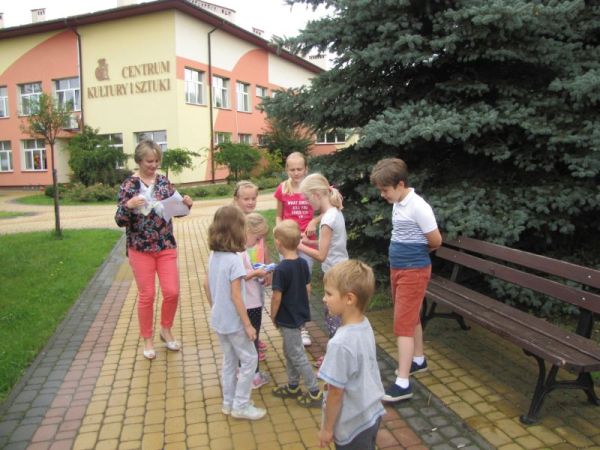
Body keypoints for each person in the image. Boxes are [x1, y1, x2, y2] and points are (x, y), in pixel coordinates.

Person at [370, 158, 442, 402]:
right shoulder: (398, 202)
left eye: (385, 190)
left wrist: (416, 256)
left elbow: (436, 241)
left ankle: (403, 383)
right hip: (399, 269)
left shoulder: (418, 207)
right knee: (411, 317)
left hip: (414, 271)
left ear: (400, 184)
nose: (382, 195)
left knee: (402, 324)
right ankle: (418, 360)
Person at [115, 139, 193, 360]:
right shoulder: (129, 186)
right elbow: (120, 220)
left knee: (172, 291)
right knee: (147, 295)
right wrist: (128, 206)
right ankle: (147, 339)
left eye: (157, 161)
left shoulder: (163, 182)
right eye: (149, 161)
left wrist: (186, 205)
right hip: (140, 248)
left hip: (165, 245)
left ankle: (165, 329)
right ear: (139, 161)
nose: (154, 165)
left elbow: (176, 209)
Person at [205, 205, 267, 420]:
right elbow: (236, 296)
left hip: (219, 319)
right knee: (250, 359)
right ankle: (241, 405)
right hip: (234, 321)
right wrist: (248, 325)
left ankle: (228, 403)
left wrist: (216, 306)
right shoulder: (233, 259)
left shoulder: (214, 255)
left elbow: (206, 285)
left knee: (230, 361)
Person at [318, 260, 385, 450]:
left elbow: (335, 393)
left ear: (349, 299)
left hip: (352, 426)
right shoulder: (364, 324)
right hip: (371, 414)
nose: (324, 299)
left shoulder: (339, 343)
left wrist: (327, 429)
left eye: (329, 294)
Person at [271, 220, 323, 407]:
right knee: (289, 350)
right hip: (299, 315)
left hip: (287, 317)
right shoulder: (302, 263)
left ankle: (314, 392)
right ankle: (293, 386)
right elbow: (308, 288)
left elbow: (276, 297)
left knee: (297, 354)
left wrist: (273, 315)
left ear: (279, 243)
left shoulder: (281, 269)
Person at [274, 152, 319, 347]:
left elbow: (327, 209)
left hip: (307, 243)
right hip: (287, 243)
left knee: (305, 285)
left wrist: (314, 221)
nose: (296, 172)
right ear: (287, 170)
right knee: (287, 284)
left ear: (306, 169)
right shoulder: (282, 188)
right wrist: (279, 231)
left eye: (299, 169)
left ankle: (302, 326)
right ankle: (288, 323)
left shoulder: (313, 187)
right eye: (292, 169)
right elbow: (278, 215)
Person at [297, 173, 349, 344]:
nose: (308, 203)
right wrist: (309, 242)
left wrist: (298, 245)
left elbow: (321, 255)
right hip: (341, 269)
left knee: (334, 317)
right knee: (338, 315)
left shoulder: (327, 220)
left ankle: (335, 353)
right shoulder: (335, 212)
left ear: (316, 195)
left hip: (335, 273)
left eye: (307, 198)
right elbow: (331, 244)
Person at [233, 180, 271, 358]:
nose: (250, 202)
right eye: (246, 199)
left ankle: (255, 337)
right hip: (242, 275)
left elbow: (264, 244)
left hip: (258, 272)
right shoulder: (235, 222)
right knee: (244, 307)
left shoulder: (257, 220)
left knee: (257, 304)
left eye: (253, 198)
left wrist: (268, 267)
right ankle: (247, 340)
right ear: (236, 199)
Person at [241, 213, 271, 389]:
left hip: (249, 301)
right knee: (252, 340)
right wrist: (257, 273)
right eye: (257, 237)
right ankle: (254, 377)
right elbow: (242, 275)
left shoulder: (239, 249)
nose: (258, 242)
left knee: (247, 341)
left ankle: (243, 373)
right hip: (250, 303)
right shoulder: (240, 251)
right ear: (247, 231)